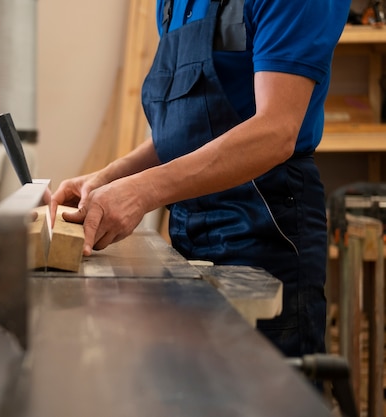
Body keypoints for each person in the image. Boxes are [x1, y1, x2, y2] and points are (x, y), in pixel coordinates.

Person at [49, 0, 351, 358]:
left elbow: (276, 130)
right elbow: (187, 131)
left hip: (265, 228)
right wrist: (103, 180)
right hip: (189, 233)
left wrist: (143, 191)